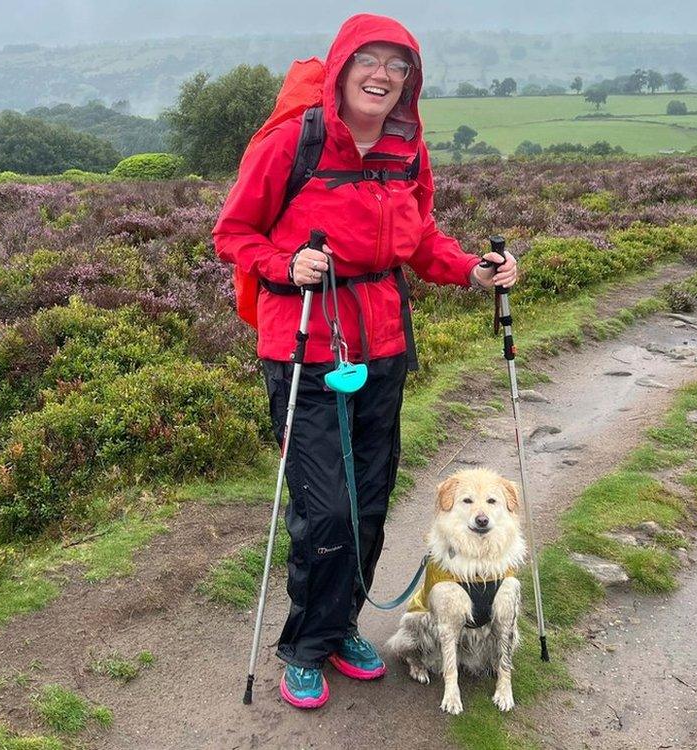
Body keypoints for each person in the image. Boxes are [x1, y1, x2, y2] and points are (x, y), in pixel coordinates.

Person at [212, 13, 518, 710]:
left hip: (381, 349)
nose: (382, 75)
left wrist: (473, 271)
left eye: (398, 65)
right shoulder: (294, 141)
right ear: (343, 65)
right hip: (304, 350)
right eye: (369, 61)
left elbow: (420, 241)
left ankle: (343, 624)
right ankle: (303, 647)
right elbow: (232, 232)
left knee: (369, 507)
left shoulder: (407, 149)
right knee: (324, 514)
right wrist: (285, 263)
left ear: (410, 80)